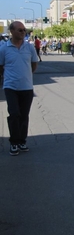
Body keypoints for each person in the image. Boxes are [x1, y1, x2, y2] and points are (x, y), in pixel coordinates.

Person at [0, 21, 38, 156]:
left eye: (24, 30)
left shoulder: (29, 48)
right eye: (20, 30)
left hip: (26, 87)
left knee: (24, 115)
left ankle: (22, 141)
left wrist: (25, 76)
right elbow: (1, 66)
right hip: (10, 87)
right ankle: (14, 143)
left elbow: (34, 65)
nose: (23, 32)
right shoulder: (4, 48)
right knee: (14, 113)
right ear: (12, 31)